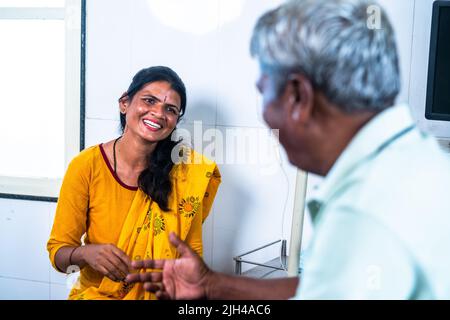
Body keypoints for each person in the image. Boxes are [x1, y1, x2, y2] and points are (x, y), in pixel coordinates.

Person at [126, 0, 450, 299]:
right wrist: (213, 284)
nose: (265, 117)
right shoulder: (415, 163)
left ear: (297, 96)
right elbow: (326, 285)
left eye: (263, 93)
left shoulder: (362, 212)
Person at [47, 66, 221, 300]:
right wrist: (86, 254)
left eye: (170, 109)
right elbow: (59, 253)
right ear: (124, 103)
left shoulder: (185, 174)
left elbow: (190, 256)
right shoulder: (86, 166)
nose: (159, 113)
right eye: (149, 100)